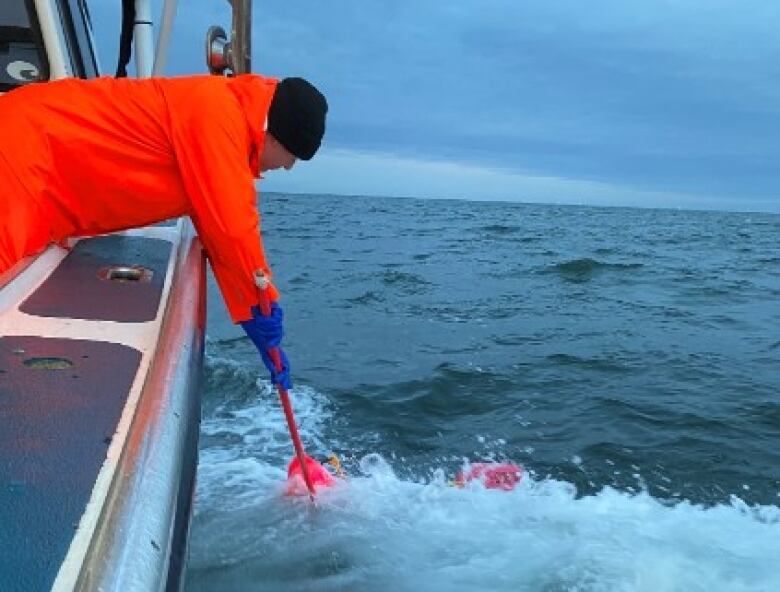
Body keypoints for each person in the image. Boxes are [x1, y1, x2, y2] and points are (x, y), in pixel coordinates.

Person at [0, 74, 327, 388]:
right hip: (26, 145)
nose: (288, 167)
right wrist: (259, 310)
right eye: (292, 157)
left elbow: (215, 226)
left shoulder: (227, 121)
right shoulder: (218, 114)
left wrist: (256, 310)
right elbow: (233, 228)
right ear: (273, 136)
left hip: (40, 164)